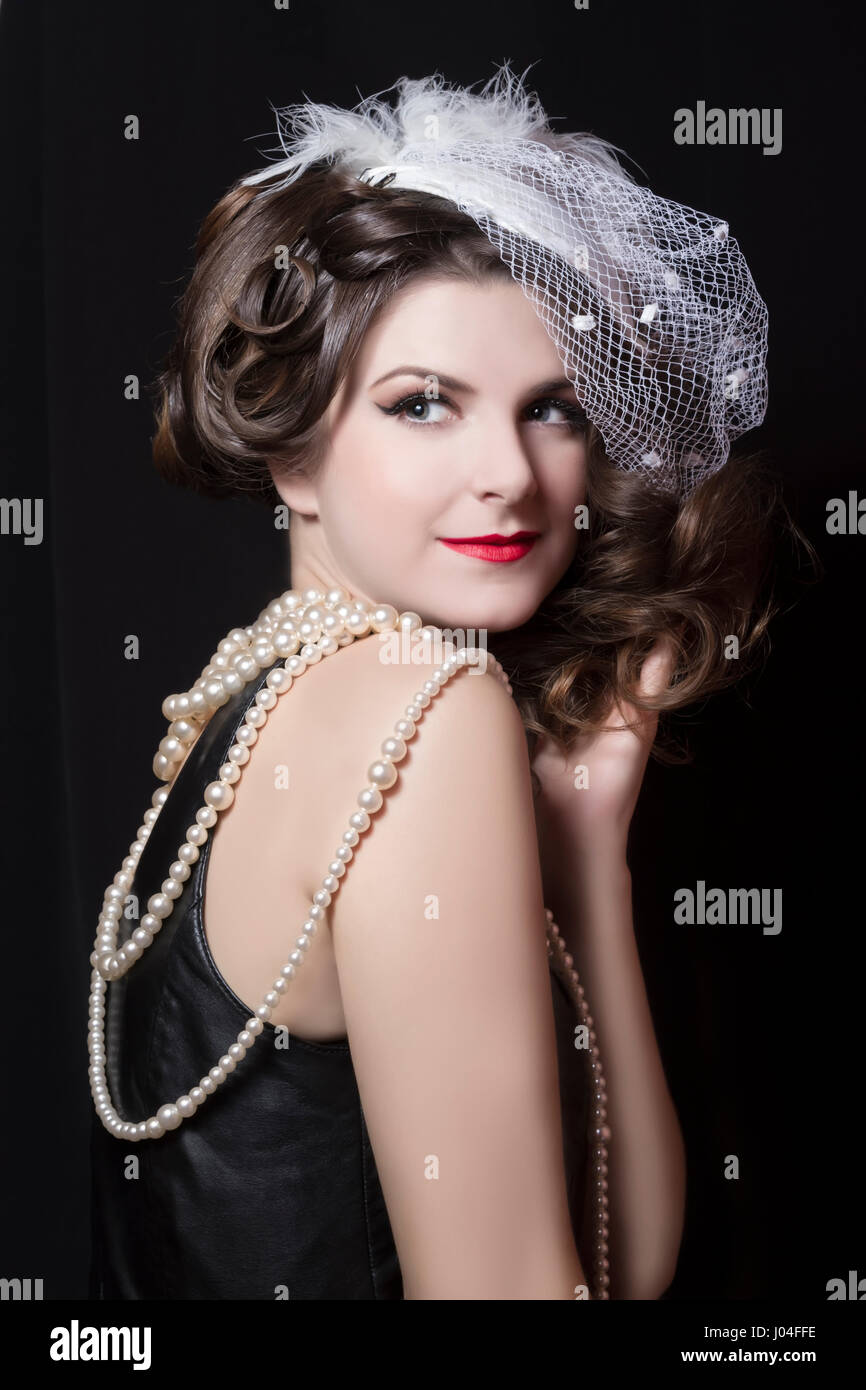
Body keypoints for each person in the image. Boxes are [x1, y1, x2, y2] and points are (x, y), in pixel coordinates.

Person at [87, 62, 800, 1301]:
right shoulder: (424, 708)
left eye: (552, 410)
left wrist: (583, 862)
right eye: (423, 405)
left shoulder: (260, 698)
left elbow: (619, 1272)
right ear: (293, 452)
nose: (509, 477)